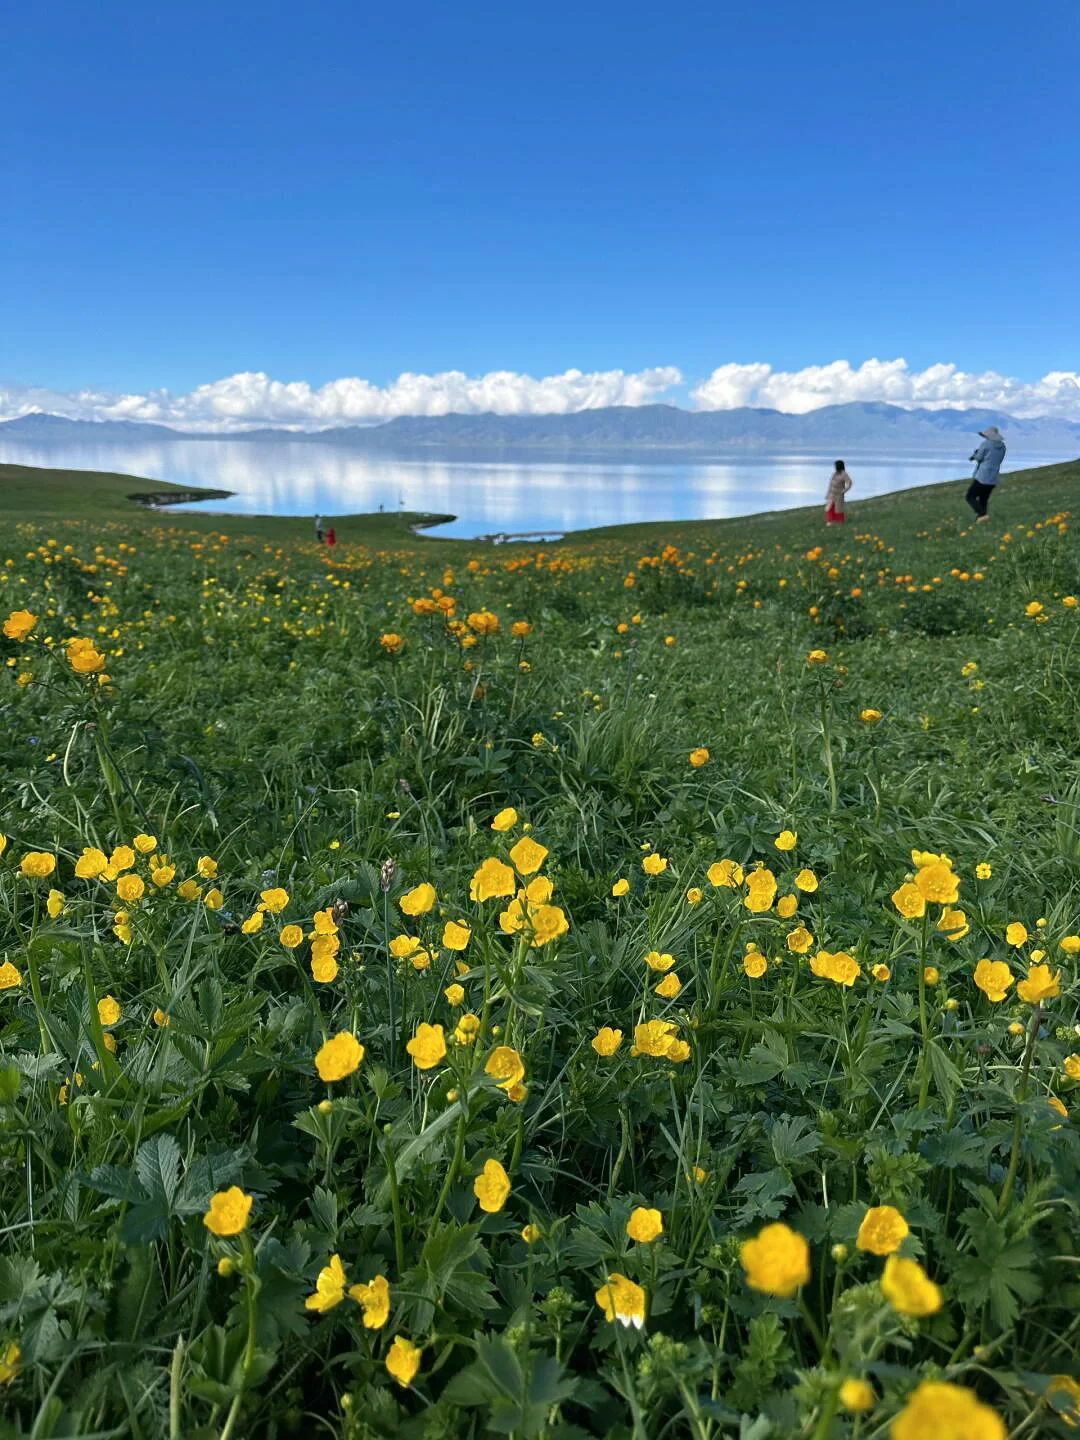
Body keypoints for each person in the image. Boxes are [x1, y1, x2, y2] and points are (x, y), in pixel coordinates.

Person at [966, 425, 1006, 521]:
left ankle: (981, 515)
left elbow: (979, 458)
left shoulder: (986, 444)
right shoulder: (1003, 447)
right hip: (993, 477)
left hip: (982, 476)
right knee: (983, 498)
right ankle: (983, 519)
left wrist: (975, 455)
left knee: (970, 496)